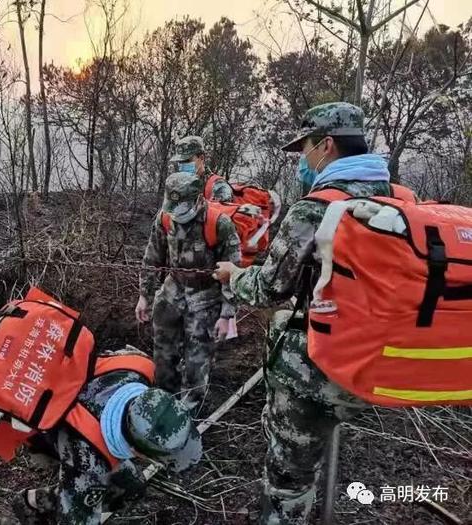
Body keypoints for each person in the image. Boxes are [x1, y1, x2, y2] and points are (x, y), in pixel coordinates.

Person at [212, 102, 409, 524]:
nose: (303, 159)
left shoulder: (314, 209)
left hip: (320, 368)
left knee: (290, 480)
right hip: (381, 363)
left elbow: (269, 288)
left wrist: (232, 275)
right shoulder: (399, 201)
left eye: (306, 148)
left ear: (327, 145)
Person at [11, 347, 202, 525]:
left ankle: (57, 498)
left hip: (75, 403)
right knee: (79, 507)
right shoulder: (90, 463)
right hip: (59, 434)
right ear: (136, 451)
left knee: (131, 489)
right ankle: (30, 505)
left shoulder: (139, 366)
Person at [136, 172, 241, 412]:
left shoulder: (219, 224)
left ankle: (189, 414)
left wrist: (227, 314)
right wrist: (145, 295)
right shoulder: (165, 218)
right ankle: (162, 404)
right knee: (163, 354)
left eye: (181, 206)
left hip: (206, 298)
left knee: (197, 362)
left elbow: (233, 272)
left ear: (197, 200)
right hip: (172, 292)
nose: (177, 213)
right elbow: (152, 257)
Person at [170, 135, 233, 202]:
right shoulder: (181, 187)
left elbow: (222, 209)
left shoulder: (218, 185)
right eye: (180, 162)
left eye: (187, 160)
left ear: (201, 158)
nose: (182, 165)